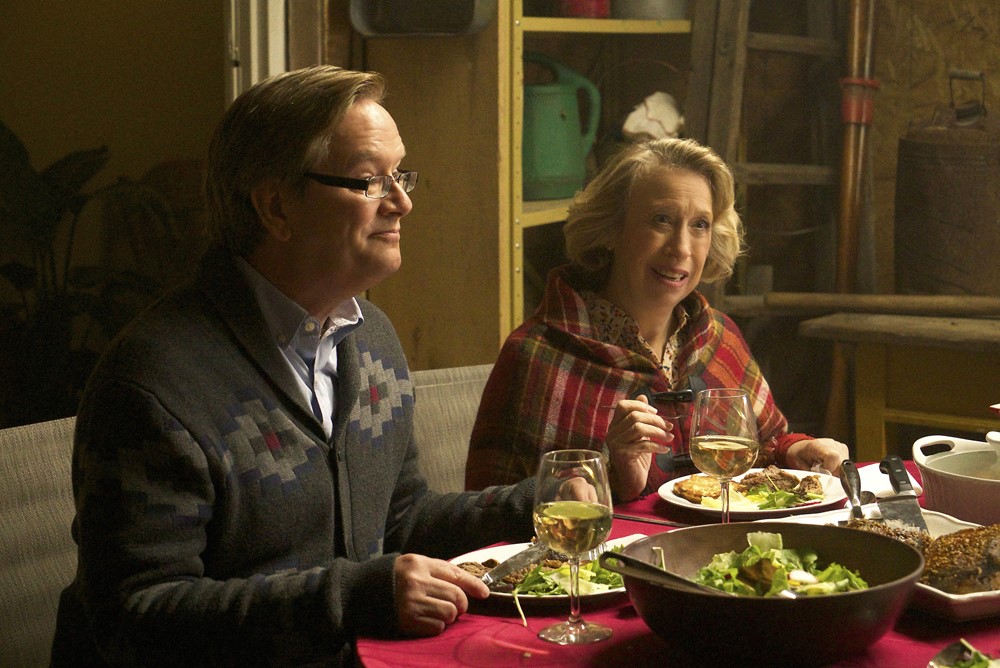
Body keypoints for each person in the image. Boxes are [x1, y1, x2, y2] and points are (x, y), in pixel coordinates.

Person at [49, 66, 537, 667]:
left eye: (400, 175)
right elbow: (135, 618)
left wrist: (542, 504)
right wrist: (354, 598)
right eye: (370, 181)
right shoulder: (154, 382)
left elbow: (400, 519)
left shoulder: (371, 338)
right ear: (276, 206)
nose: (402, 203)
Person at [464, 137, 849, 502]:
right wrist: (610, 470)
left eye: (700, 225)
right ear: (612, 228)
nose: (681, 248)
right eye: (661, 219)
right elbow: (492, 514)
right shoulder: (536, 355)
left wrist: (795, 451)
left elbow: (764, 447)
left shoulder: (720, 337)